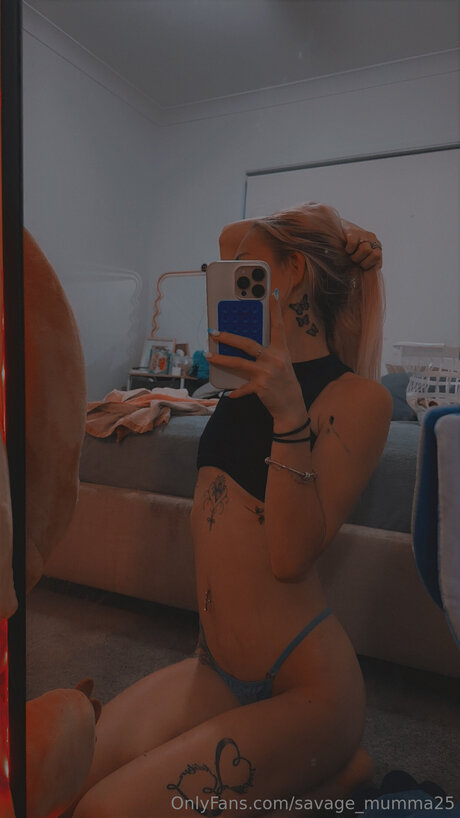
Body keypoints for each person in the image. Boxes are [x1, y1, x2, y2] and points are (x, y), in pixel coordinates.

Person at [69, 203, 393, 818]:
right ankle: (328, 781)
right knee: (62, 780)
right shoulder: (235, 382)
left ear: (293, 271)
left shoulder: (357, 399)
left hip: (308, 686)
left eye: (247, 267)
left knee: (103, 811)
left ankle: (334, 769)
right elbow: (231, 235)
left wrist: (289, 413)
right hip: (214, 667)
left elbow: (290, 557)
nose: (228, 278)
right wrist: (338, 233)